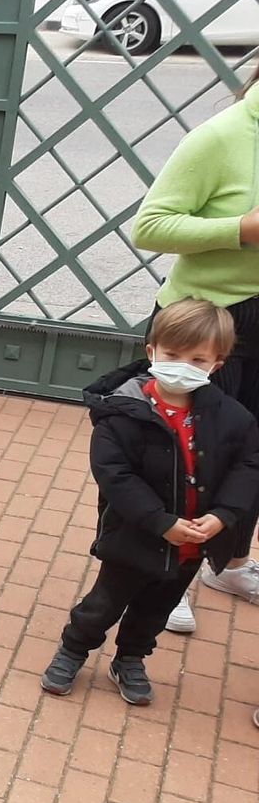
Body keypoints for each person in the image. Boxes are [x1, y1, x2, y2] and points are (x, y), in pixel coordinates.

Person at [40, 299, 259, 705]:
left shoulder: (232, 418)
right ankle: (73, 649)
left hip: (193, 543)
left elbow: (248, 466)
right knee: (104, 603)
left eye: (197, 359)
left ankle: (130, 658)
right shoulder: (123, 412)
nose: (182, 366)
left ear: (217, 364)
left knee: (156, 609)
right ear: (152, 351)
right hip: (135, 536)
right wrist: (159, 521)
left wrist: (223, 515)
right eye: (172, 355)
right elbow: (115, 475)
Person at [131, 66, 259, 630]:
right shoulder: (222, 136)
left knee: (251, 454)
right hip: (207, 326)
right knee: (188, 456)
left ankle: (228, 562)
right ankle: (167, 570)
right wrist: (240, 229)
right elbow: (150, 227)